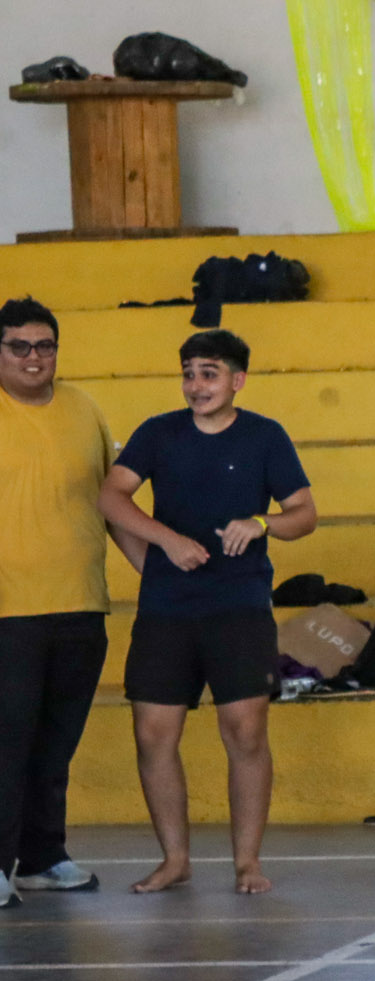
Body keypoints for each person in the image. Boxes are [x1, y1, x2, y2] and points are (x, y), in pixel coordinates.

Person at [97, 330, 316, 896]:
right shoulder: (157, 432)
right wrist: (165, 542)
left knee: (245, 732)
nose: (197, 385)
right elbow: (111, 498)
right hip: (165, 609)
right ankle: (176, 860)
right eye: (189, 373)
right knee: (152, 735)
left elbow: (304, 513)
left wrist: (262, 523)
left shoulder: (265, 436)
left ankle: (247, 863)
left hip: (239, 607)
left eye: (210, 373)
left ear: (237, 380)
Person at [0, 298, 129, 904]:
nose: (34, 357)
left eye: (45, 345)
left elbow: (114, 504)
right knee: (7, 743)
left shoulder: (84, 409)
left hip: (81, 604)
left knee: (55, 744)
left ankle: (42, 857)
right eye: (19, 346)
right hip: (8, 612)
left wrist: (158, 572)